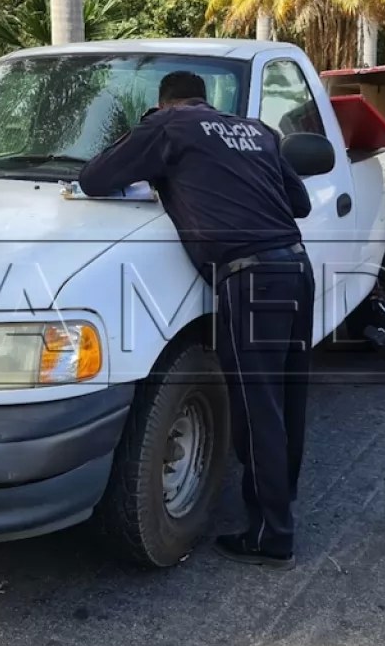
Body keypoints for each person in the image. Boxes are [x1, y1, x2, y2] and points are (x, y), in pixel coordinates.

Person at [78, 71, 314, 569]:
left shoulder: (168, 128)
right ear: (205, 100)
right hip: (295, 266)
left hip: (251, 280)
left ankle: (273, 536)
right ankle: (281, 507)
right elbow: (300, 202)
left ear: (164, 104)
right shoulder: (257, 131)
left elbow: (95, 177)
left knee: (256, 408)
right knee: (286, 397)